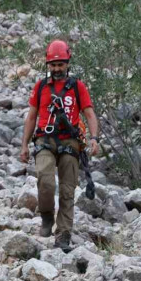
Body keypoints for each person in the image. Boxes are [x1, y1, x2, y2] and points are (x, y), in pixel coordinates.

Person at [20, 40, 101, 252]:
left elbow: (89, 113)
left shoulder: (77, 87)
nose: (57, 69)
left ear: (68, 63)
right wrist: (24, 145)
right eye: (53, 65)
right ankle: (46, 216)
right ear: (48, 64)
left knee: (67, 190)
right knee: (45, 180)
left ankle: (64, 234)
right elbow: (31, 117)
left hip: (70, 142)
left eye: (61, 64)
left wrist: (94, 138)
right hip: (45, 140)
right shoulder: (40, 87)